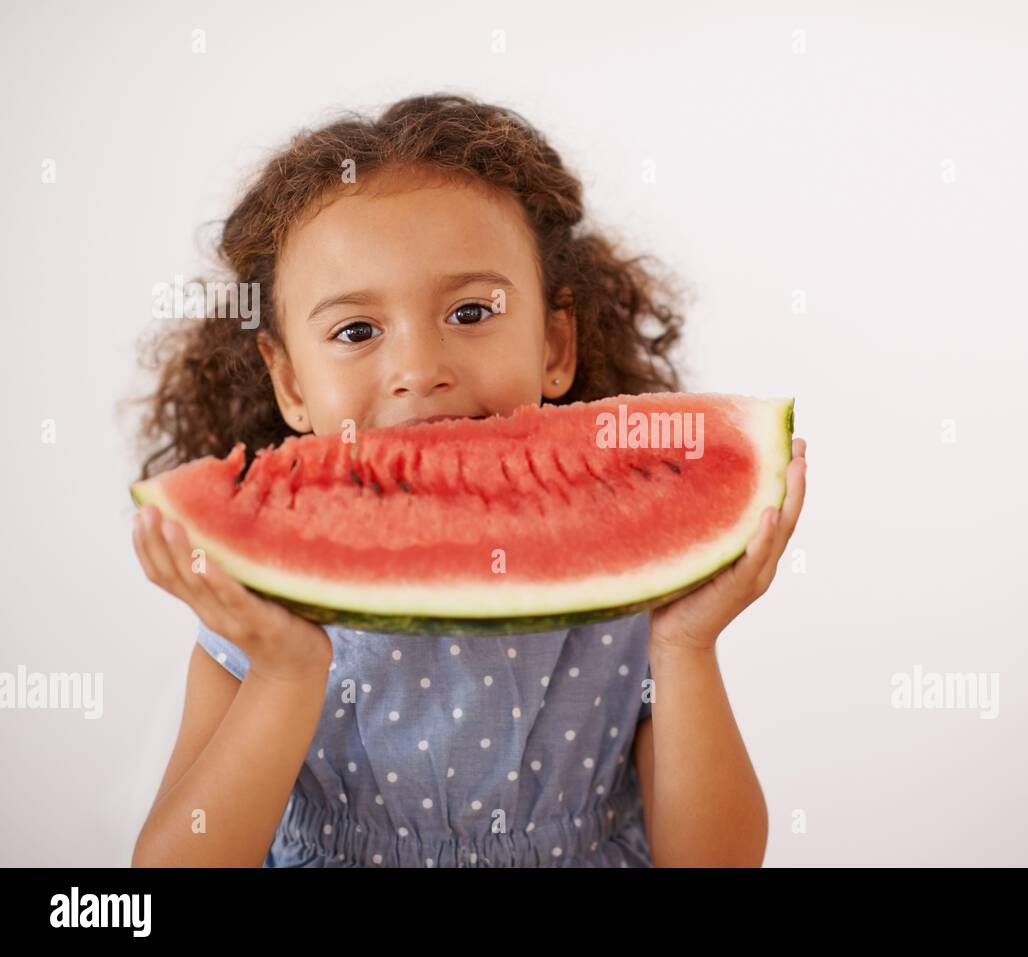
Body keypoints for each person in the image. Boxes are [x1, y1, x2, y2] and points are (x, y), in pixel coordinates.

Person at [127, 93, 807, 867]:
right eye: (356, 330)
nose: (420, 371)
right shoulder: (253, 614)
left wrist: (687, 643)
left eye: (472, 311)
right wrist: (287, 670)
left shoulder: (632, 615)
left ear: (555, 344)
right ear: (289, 384)